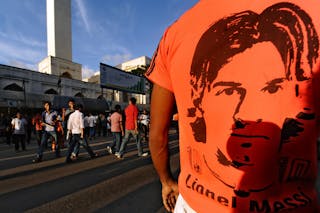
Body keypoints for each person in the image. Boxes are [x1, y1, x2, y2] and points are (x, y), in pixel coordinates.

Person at [146, 2, 320, 212]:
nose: (248, 115)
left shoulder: (175, 33)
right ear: (198, 100)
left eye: (272, 89)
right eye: (229, 91)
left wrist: (166, 181)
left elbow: (157, 134)